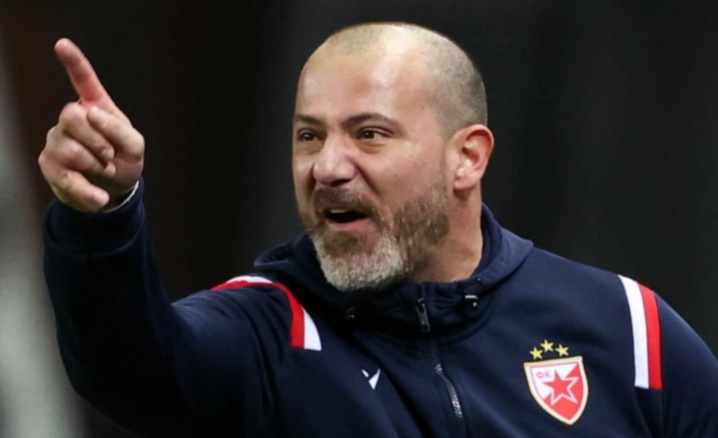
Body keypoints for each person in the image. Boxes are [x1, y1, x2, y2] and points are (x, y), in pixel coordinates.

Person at [39, 22, 718, 437]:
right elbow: (131, 370)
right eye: (309, 136)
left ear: (467, 157)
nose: (328, 167)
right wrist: (102, 215)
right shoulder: (271, 329)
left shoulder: (630, 331)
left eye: (369, 134)